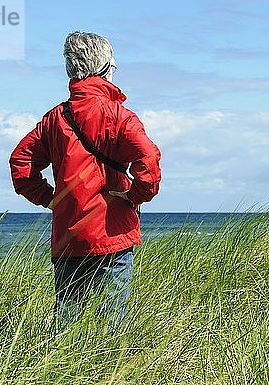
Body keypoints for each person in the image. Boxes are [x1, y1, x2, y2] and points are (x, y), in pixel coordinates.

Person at [9, 31, 161, 329]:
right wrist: (134, 196)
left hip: (68, 235)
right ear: (105, 67)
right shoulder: (121, 116)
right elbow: (149, 160)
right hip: (113, 235)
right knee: (111, 326)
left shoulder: (56, 118)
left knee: (66, 324)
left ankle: (57, 372)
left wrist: (48, 198)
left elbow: (21, 162)